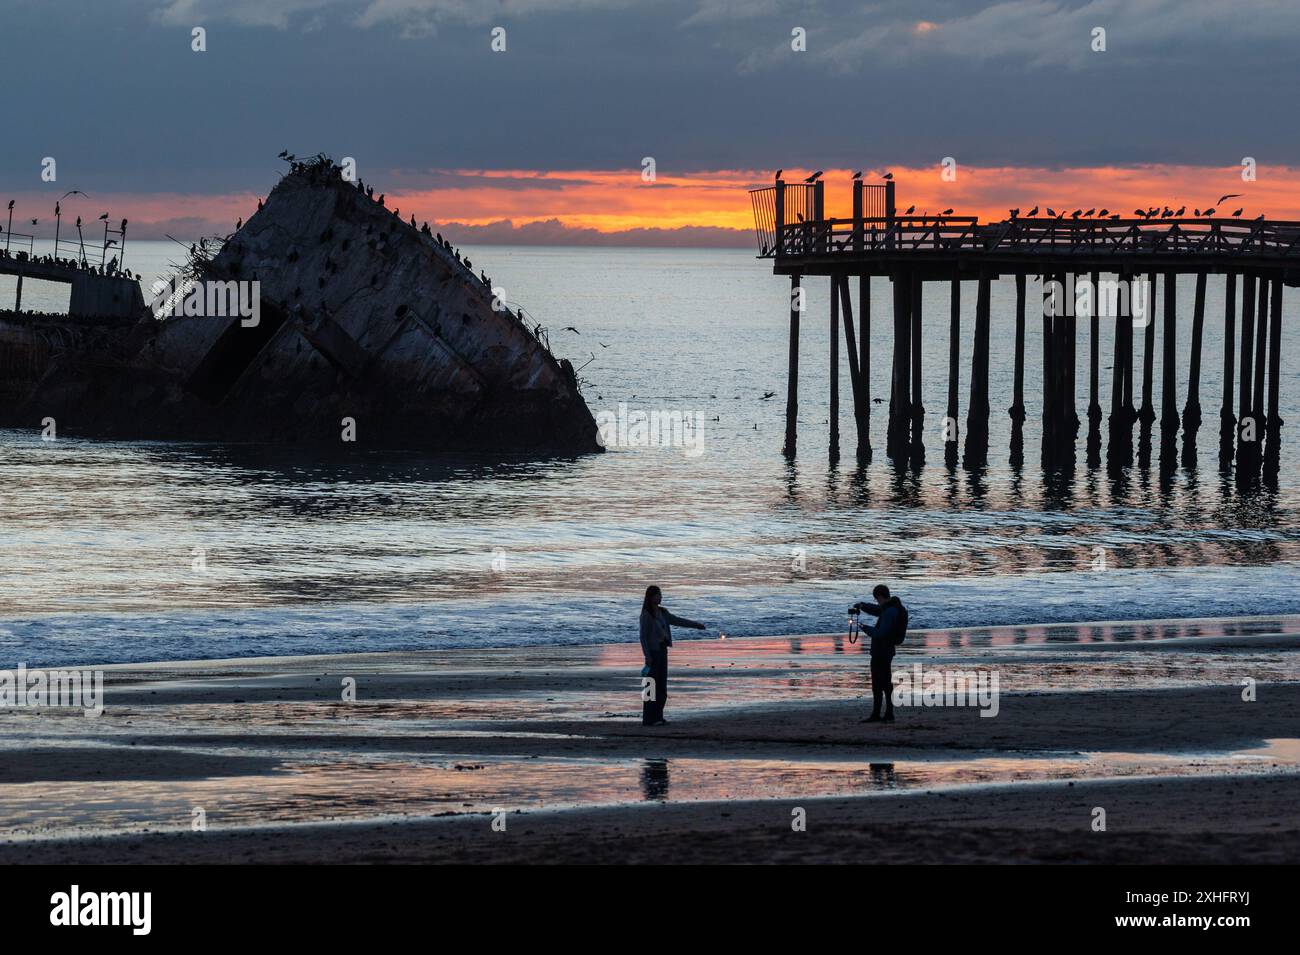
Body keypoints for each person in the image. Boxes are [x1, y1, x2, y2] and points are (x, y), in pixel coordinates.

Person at [639, 585, 706, 726]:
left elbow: (678, 620)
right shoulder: (646, 614)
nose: (660, 597)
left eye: (660, 594)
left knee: (662, 684)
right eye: (658, 594)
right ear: (651, 597)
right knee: (650, 685)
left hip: (663, 650)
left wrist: (696, 625)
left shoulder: (663, 612)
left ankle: (658, 716)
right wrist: (647, 656)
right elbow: (643, 637)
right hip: (653, 653)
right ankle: (648, 718)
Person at [850, 584, 909, 723]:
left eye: (877, 599)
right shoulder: (894, 608)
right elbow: (878, 610)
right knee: (885, 682)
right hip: (887, 650)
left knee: (878, 683)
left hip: (881, 651)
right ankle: (887, 713)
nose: (877, 602)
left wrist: (864, 628)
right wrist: (862, 606)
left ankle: (879, 714)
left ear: (880, 596)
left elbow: (880, 633)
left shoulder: (889, 612)